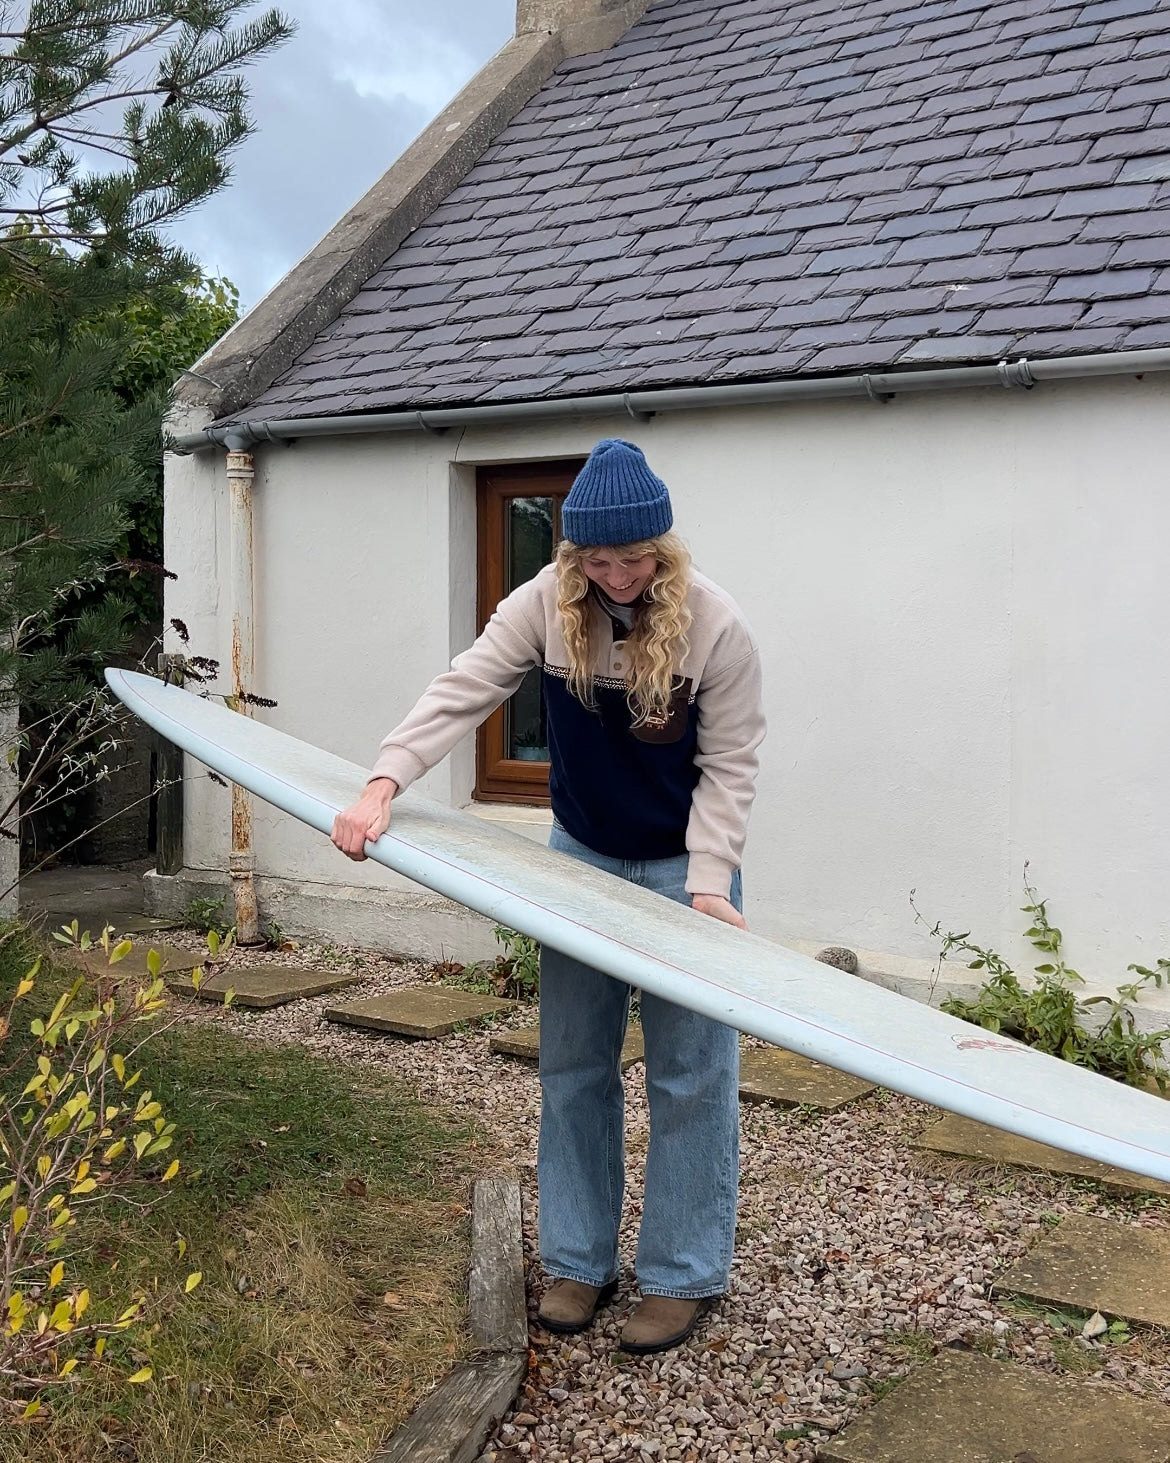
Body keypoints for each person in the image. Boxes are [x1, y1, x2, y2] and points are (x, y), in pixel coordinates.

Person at [331, 438, 765, 1355]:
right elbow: (464, 689)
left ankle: (682, 1274)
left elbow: (729, 765)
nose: (615, 574)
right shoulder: (543, 604)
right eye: (595, 558)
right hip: (580, 858)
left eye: (634, 556)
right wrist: (383, 783)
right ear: (572, 555)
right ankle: (577, 1261)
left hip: (687, 865)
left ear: (665, 547)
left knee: (690, 1074)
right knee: (573, 1062)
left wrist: (704, 883)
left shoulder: (716, 626)